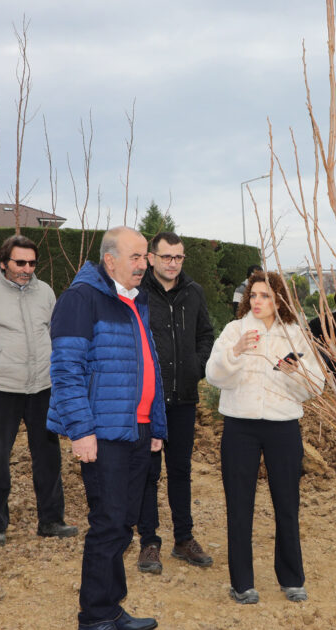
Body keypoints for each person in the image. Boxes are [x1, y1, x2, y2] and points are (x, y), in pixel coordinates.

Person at [47, 227, 164, 630]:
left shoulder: (135, 301)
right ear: (109, 260)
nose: (143, 264)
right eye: (136, 256)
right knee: (108, 523)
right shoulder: (81, 299)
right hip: (104, 433)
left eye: (145, 256)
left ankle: (111, 608)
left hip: (137, 430)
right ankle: (95, 616)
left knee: (122, 524)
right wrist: (80, 431)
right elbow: (66, 370)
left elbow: (149, 368)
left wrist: (157, 426)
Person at [205, 271, 324, 605]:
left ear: (279, 301)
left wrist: (294, 372)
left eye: (265, 296)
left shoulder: (295, 335)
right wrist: (236, 353)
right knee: (239, 506)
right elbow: (213, 375)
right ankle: (242, 583)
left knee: (287, 504)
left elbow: (317, 386)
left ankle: (291, 579)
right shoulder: (234, 331)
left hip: (283, 427)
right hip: (239, 428)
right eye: (254, 295)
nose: (258, 301)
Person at [0, 235, 75, 548]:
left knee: (48, 457)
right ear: (3, 263)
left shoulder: (46, 293)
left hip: (42, 387)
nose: (27, 269)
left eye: (32, 263)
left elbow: (55, 332)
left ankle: (51, 521)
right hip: (0, 390)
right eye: (19, 262)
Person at [135, 232, 215, 574]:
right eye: (166, 257)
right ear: (151, 258)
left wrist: (195, 367)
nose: (172, 264)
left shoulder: (193, 293)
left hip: (183, 398)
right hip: (148, 400)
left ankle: (184, 539)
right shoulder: (137, 294)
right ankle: (149, 543)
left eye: (178, 258)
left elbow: (206, 335)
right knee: (148, 473)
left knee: (180, 471)